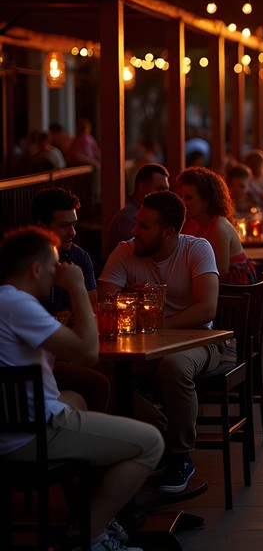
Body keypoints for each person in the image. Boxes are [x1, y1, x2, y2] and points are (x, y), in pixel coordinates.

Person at [1, 226, 164, 551]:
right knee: (151, 442)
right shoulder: (18, 305)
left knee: (75, 397)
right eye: (53, 267)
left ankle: (87, 512)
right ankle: (88, 533)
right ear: (35, 269)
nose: (56, 274)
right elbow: (89, 354)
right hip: (31, 436)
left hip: (10, 427)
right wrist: (77, 288)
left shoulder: (6, 301)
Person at [98, 190, 220, 494]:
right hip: (140, 347)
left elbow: (207, 308)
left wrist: (160, 325)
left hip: (198, 340)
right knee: (96, 369)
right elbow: (102, 301)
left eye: (143, 226)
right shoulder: (125, 251)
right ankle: (157, 434)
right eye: (136, 222)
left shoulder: (197, 249)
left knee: (174, 366)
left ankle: (179, 456)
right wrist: (130, 299)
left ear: (168, 232)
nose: (134, 231)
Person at [30, 187, 110, 415]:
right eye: (64, 226)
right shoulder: (25, 265)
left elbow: (90, 307)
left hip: (68, 349)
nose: (73, 232)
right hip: (41, 357)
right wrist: (69, 313)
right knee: (99, 381)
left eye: (74, 224)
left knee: (105, 374)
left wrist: (64, 317)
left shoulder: (78, 257)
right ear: (41, 228)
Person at [177, 166, 258, 286]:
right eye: (181, 196)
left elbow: (220, 274)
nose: (182, 202)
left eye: (188, 197)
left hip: (235, 293)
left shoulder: (218, 226)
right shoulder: (192, 223)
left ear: (206, 201)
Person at [104, 162, 170, 259]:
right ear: (143, 187)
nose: (165, 196)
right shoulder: (128, 218)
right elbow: (145, 257)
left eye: (167, 191)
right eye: (160, 189)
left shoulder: (142, 215)